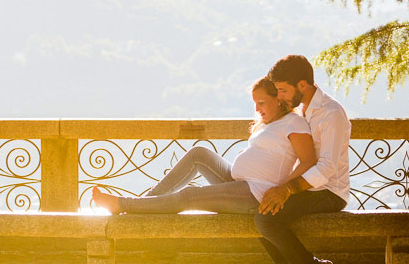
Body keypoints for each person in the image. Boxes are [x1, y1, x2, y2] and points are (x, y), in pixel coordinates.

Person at [92, 77, 317, 216]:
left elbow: (309, 161)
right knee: (199, 153)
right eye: (254, 103)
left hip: (255, 194)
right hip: (239, 183)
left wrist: (283, 190)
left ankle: (123, 205)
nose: (257, 109)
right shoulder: (269, 123)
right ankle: (147, 204)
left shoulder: (294, 123)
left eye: (262, 103)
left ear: (278, 98)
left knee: (189, 196)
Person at [255, 54, 351, 264]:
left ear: (302, 85)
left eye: (283, 91)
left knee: (266, 219)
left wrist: (287, 190)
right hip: (306, 188)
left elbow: (327, 168)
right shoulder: (302, 112)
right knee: (256, 210)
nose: (281, 97)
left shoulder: (331, 113)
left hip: (330, 191)